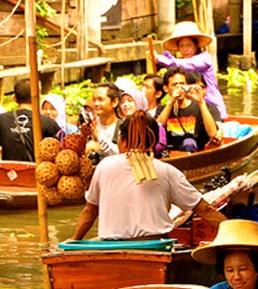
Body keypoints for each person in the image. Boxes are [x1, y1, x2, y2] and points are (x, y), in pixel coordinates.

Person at [72, 112, 226, 241]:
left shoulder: (104, 166)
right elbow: (204, 210)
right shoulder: (167, 171)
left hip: (112, 248)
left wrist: (74, 240)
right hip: (154, 246)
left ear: (123, 140)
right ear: (154, 142)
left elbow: (90, 212)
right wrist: (237, 233)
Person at [156, 21, 228, 120]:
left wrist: (162, 60)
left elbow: (187, 64)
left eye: (188, 45)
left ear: (196, 46)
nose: (185, 49)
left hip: (211, 106)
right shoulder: (180, 62)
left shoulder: (204, 59)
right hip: (192, 110)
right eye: (182, 46)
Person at [0, 78, 60, 161]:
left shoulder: (1, 120)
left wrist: (2, 149)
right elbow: (62, 151)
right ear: (37, 98)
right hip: (38, 171)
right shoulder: (48, 122)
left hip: (10, 172)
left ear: (14, 99)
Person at [157, 67, 222, 153]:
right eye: (175, 85)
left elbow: (213, 134)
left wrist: (201, 102)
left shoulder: (204, 107)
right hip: (171, 154)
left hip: (197, 153)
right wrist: (171, 102)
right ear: (166, 88)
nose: (179, 88)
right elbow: (156, 130)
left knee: (189, 143)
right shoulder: (162, 109)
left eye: (182, 84)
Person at [87, 83, 122, 158]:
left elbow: (122, 153)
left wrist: (98, 137)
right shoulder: (90, 124)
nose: (96, 104)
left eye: (101, 99)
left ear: (115, 102)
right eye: (94, 100)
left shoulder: (123, 127)